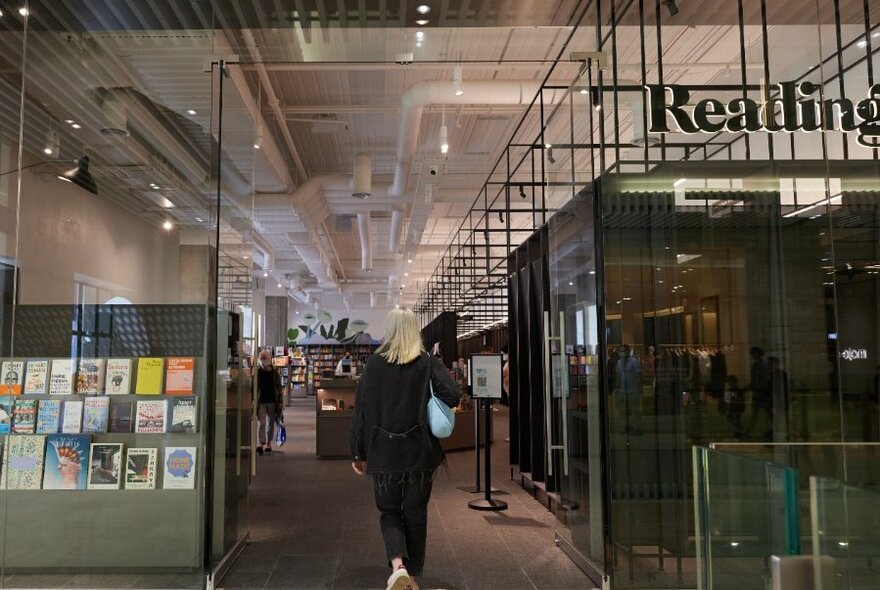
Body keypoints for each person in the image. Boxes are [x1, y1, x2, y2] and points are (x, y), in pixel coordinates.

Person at [350, 308, 460, 590]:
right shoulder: (428, 362)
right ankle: (411, 575)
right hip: (419, 453)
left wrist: (358, 452)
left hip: (383, 454)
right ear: (415, 330)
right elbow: (452, 394)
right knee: (415, 512)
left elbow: (360, 413)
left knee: (389, 511)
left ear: (389, 329)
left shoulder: (373, 365)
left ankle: (398, 566)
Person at [254, 350, 282, 455]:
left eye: (265, 359)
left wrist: (280, 401)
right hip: (261, 401)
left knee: (270, 423)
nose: (263, 361)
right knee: (262, 423)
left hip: (272, 401)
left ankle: (269, 443)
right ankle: (261, 444)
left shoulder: (275, 372)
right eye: (261, 359)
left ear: (269, 360)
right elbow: (254, 386)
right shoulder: (257, 372)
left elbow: (279, 388)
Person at [615, 344, 642, 432]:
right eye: (620, 351)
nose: (621, 353)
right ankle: (627, 426)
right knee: (623, 411)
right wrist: (617, 389)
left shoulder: (634, 361)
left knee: (635, 410)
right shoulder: (619, 362)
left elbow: (638, 375)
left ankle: (637, 428)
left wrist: (639, 388)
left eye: (623, 351)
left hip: (632, 390)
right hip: (622, 390)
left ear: (627, 352)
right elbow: (618, 376)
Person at [745, 346, 770, 439]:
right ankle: (748, 431)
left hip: (761, 392)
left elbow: (760, 380)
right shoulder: (759, 365)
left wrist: (753, 387)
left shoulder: (760, 365)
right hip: (760, 392)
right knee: (759, 413)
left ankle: (748, 431)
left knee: (758, 414)